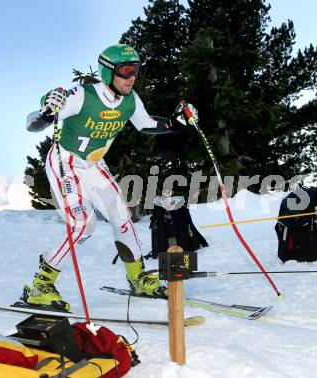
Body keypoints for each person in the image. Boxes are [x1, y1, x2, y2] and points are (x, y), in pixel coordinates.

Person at [23, 43, 198, 311]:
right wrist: (48, 109)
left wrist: (176, 123)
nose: (131, 77)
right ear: (107, 72)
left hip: (94, 164)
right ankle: (40, 285)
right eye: (125, 70)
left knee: (122, 217)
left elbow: (146, 123)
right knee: (83, 224)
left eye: (135, 71)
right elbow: (33, 121)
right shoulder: (83, 95)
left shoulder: (130, 100)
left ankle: (137, 277)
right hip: (65, 161)